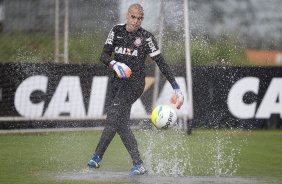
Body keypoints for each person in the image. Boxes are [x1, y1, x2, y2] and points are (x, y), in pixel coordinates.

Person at [87, 3, 184, 175]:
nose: (136, 21)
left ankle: (96, 157)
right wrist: (114, 63)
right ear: (127, 15)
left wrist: (175, 86)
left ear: (142, 19)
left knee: (113, 118)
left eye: (139, 18)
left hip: (135, 84)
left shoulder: (146, 38)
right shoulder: (116, 30)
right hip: (117, 84)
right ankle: (138, 164)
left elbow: (161, 62)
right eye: (133, 17)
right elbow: (103, 55)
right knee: (120, 123)